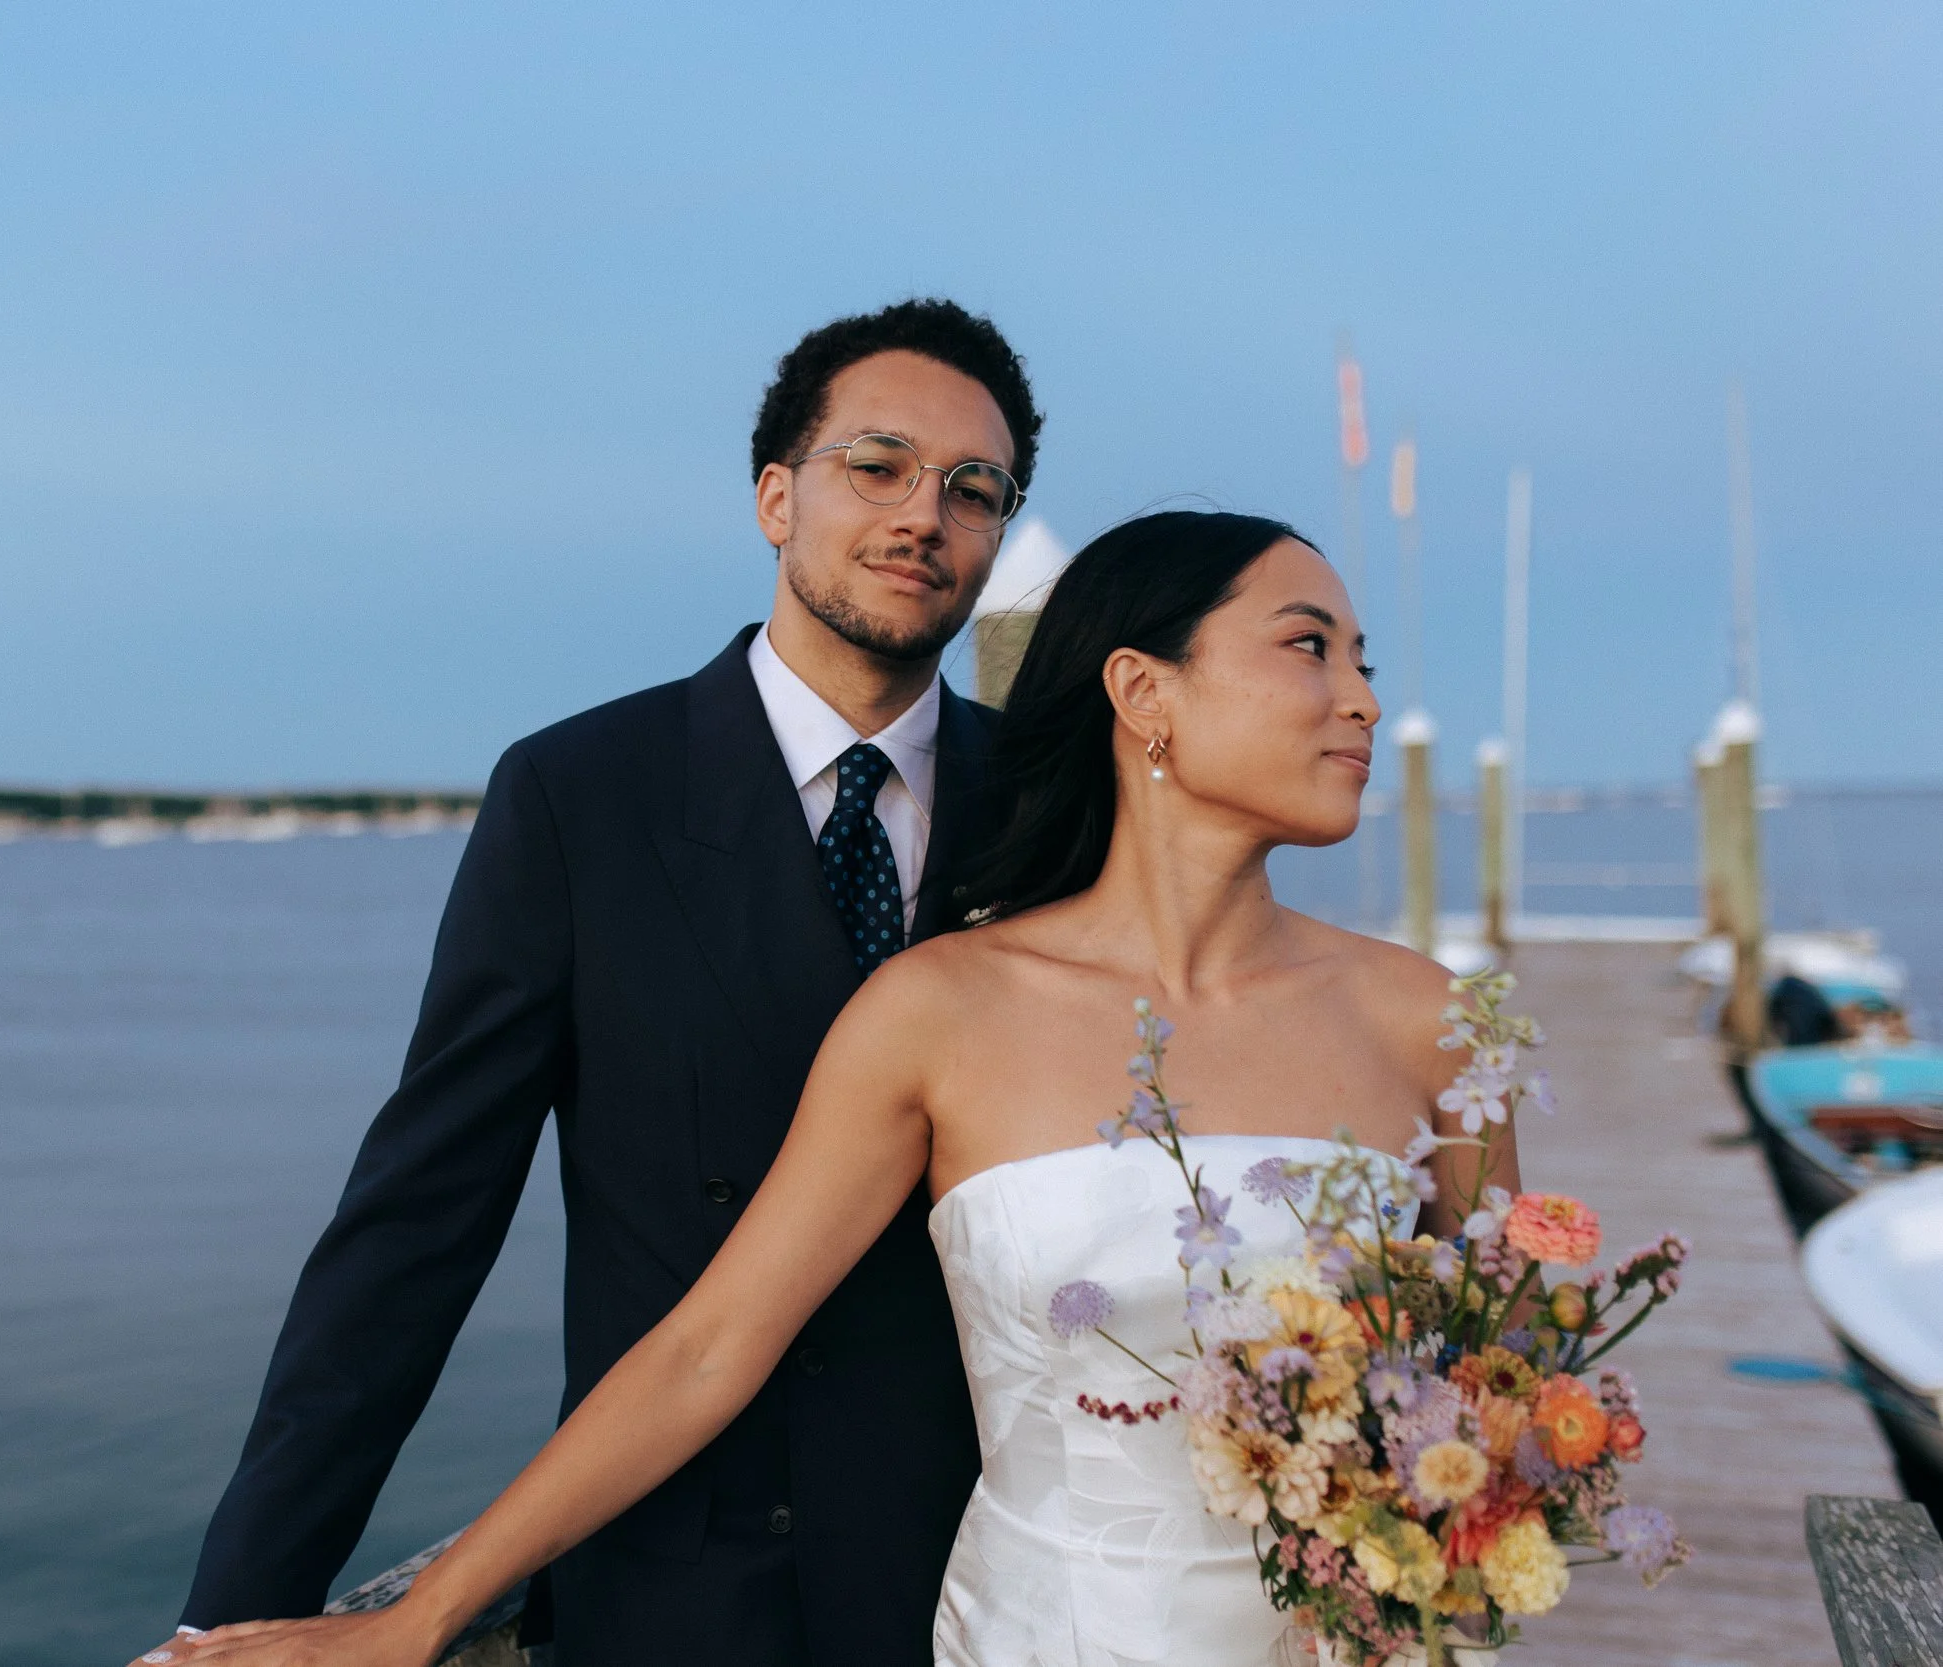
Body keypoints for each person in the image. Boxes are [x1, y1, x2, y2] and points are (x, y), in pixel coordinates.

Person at [167, 510, 1523, 1667]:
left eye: (1362, 661)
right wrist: (422, 1617)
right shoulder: (937, 1009)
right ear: (1142, 692)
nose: (1362, 698)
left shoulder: (1436, 1024)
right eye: (1308, 646)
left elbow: (1510, 1381)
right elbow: (710, 1347)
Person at [132, 298, 1043, 1667]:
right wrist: (240, 1600)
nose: (928, 513)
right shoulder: (581, 795)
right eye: (879, 464)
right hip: (678, 1584)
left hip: (983, 1577)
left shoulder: (1048, 812)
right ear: (775, 495)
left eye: (976, 489)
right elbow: (421, 1217)